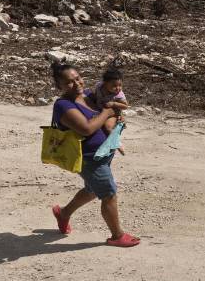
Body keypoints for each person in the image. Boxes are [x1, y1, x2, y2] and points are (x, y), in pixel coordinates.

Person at [48, 63, 140, 248]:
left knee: (91, 189)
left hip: (105, 153)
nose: (76, 83)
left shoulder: (90, 95)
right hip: (89, 158)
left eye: (77, 78)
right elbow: (87, 128)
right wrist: (108, 111)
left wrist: (118, 118)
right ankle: (117, 235)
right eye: (69, 82)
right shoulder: (63, 105)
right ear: (60, 87)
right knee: (108, 193)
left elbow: (116, 109)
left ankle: (63, 213)